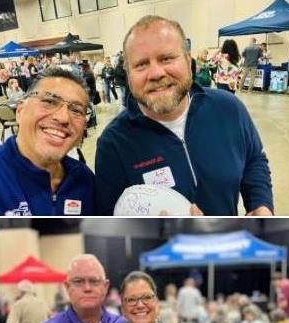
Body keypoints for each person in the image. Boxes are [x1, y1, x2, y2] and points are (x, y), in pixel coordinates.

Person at [94, 16, 274, 217]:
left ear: (189, 62)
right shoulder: (114, 143)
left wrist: (260, 204)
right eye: (141, 65)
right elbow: (109, 220)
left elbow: (254, 160)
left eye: (166, 58)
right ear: (128, 75)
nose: (155, 73)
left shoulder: (228, 108)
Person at [0, 66, 95, 216]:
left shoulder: (84, 180)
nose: (63, 117)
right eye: (49, 101)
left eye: (76, 110)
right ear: (20, 112)